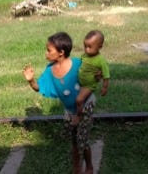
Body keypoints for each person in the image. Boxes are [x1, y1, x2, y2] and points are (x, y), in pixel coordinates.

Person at [22, 32, 95, 174]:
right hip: (70, 110)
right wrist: (31, 80)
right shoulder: (50, 70)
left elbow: (89, 85)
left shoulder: (78, 66)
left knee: (83, 140)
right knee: (74, 141)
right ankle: (76, 169)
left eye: (49, 50)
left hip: (85, 106)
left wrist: (79, 115)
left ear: (61, 52)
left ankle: (90, 167)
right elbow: (40, 87)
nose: (46, 53)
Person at [76, 30, 110, 125]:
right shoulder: (85, 55)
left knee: (79, 100)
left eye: (90, 47)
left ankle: (79, 115)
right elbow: (80, 64)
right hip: (79, 82)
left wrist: (104, 87)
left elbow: (106, 75)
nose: (87, 49)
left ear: (100, 47)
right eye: (85, 46)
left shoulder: (100, 60)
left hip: (89, 85)